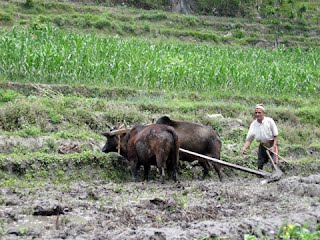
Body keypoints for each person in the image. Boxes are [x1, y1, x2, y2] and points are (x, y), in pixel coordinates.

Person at [242, 104, 278, 170]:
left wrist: (273, 147)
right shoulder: (253, 124)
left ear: (263, 113)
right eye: (256, 113)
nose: (257, 114)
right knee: (260, 164)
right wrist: (244, 148)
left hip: (271, 145)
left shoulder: (269, 121)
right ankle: (260, 177)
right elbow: (250, 139)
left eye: (259, 112)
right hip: (262, 146)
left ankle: (276, 175)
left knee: (274, 163)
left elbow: (275, 135)